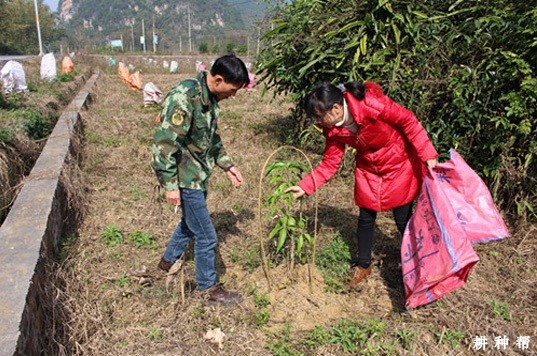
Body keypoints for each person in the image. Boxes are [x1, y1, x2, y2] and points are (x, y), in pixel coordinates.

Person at [286, 81, 438, 288]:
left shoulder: (372, 104)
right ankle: (364, 264)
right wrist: (305, 186)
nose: (319, 122)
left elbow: (408, 121)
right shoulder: (332, 130)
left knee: (403, 220)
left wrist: (428, 153)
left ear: (337, 108)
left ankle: (421, 263)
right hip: (369, 169)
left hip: (399, 163)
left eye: (320, 116)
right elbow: (330, 162)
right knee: (366, 217)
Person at [151, 54, 249, 305]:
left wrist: (228, 165)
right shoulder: (184, 98)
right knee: (206, 237)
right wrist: (170, 185)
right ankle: (208, 289)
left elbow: (212, 139)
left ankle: (166, 264)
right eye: (233, 89)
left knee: (188, 225)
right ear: (218, 79)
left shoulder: (210, 99)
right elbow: (164, 144)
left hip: (198, 175)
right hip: (185, 179)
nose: (234, 95)